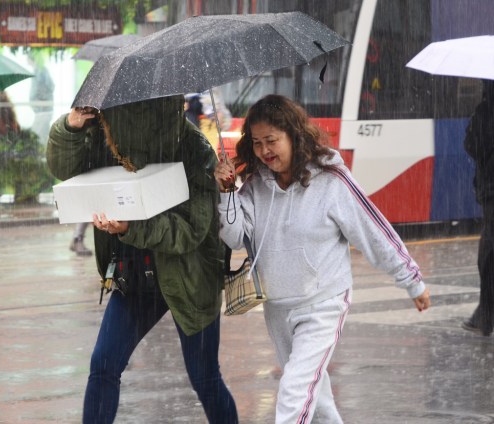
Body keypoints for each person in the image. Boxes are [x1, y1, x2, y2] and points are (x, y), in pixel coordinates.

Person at [214, 94, 431, 423]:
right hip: (278, 306)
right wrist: (227, 191)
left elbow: (372, 230)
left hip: (323, 301)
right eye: (256, 143)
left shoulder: (331, 180)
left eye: (271, 141)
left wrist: (411, 280)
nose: (264, 151)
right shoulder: (256, 185)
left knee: (294, 390)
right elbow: (232, 236)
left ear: (293, 135)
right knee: (316, 397)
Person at [46, 95, 238, 423]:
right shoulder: (108, 139)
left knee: (204, 378)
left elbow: (189, 230)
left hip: (190, 279)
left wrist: (131, 227)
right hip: (135, 276)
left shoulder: (193, 148)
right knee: (104, 366)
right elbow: (64, 169)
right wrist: (71, 126)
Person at [462, 80, 494, 337]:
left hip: (491, 188)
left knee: (489, 255)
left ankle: (485, 313)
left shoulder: (486, 111)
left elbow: (473, 146)